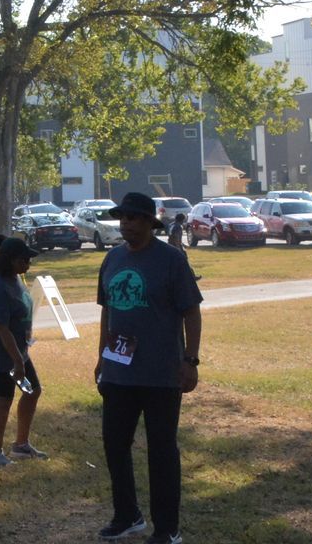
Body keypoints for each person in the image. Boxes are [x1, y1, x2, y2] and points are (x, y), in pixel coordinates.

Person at [94, 192, 203, 544]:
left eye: (133, 218)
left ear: (148, 223)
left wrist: (190, 360)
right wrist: (101, 357)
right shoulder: (112, 258)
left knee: (162, 451)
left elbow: (191, 311)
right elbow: (107, 311)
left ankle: (167, 529)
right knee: (114, 444)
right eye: (122, 218)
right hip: (118, 371)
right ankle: (127, 516)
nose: (126, 223)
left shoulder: (171, 260)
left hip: (161, 374)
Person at [0, 237, 44, 466]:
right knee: (3, 401)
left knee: (32, 391)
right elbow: (1, 328)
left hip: (20, 353)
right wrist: (17, 361)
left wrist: (22, 354)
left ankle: (21, 445)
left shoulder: (15, 279)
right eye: (24, 260)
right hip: (4, 357)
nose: (28, 264)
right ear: (9, 260)